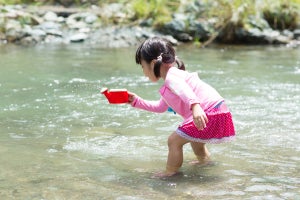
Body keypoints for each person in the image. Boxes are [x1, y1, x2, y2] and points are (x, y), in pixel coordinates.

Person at [127, 37, 235, 178]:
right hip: (218, 109)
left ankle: (171, 172)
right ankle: (205, 163)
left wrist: (195, 106)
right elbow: (160, 107)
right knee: (196, 141)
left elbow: (184, 90)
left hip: (207, 110)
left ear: (153, 64)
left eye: (143, 66)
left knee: (173, 141)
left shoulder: (172, 77)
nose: (144, 72)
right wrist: (136, 101)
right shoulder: (171, 82)